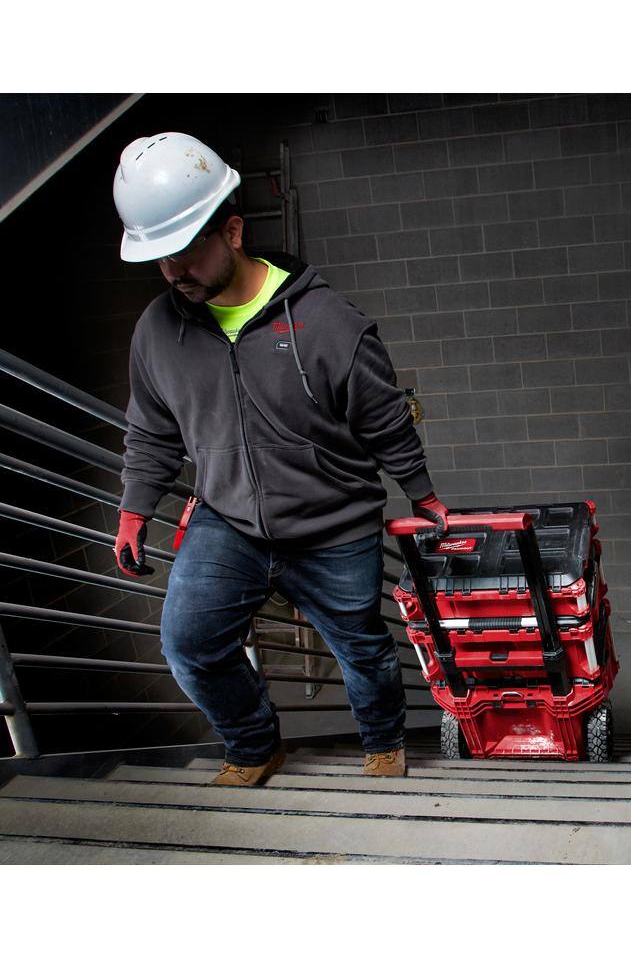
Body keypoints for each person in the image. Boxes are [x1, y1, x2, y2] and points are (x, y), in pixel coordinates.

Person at [110, 132, 449, 785]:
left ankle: (383, 744)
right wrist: (134, 509)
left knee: (362, 650)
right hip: (229, 520)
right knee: (189, 644)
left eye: (186, 251)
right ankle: (255, 745)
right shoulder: (157, 330)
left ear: (233, 231)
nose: (174, 272)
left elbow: (384, 418)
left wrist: (422, 491)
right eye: (160, 258)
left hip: (334, 525)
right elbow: (151, 427)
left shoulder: (329, 323)